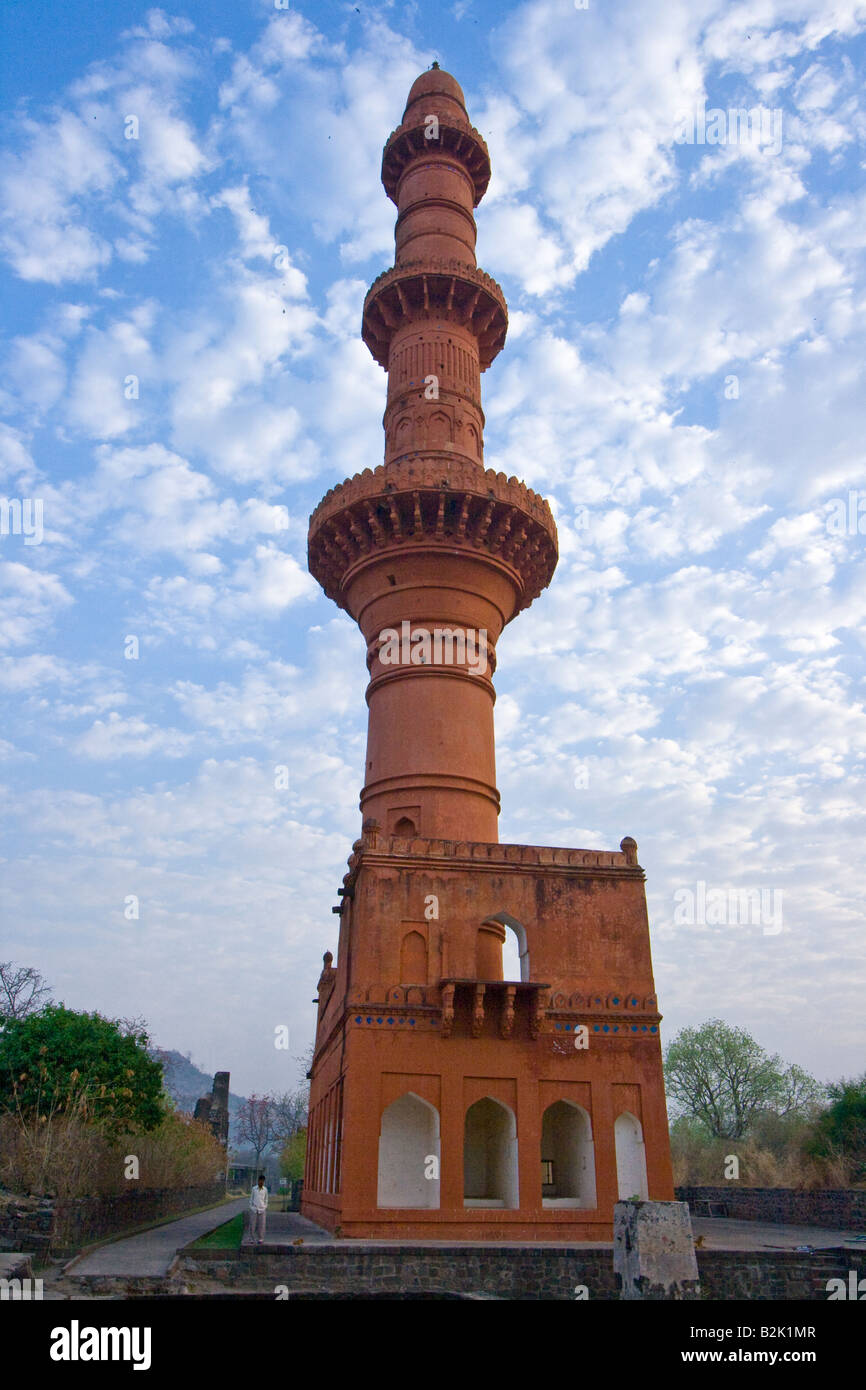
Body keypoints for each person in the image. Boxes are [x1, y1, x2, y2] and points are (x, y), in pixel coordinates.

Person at [249, 1173, 268, 1244]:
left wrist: (264, 1207)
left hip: (262, 1209)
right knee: (252, 1224)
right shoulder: (254, 1189)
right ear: (258, 1181)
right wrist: (251, 1207)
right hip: (254, 1209)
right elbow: (251, 1199)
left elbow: (266, 1200)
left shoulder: (265, 1189)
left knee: (262, 1225)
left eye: (263, 1181)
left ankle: (260, 1238)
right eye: (260, 1181)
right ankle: (252, 1238)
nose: (261, 1182)